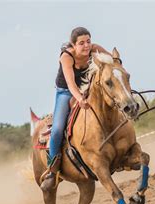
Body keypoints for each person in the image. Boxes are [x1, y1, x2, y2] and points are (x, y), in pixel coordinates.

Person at [40, 27, 109, 191]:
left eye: (88, 41)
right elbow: (71, 84)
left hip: (88, 87)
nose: (86, 46)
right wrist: (80, 99)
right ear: (73, 45)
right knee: (57, 129)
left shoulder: (95, 49)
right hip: (66, 92)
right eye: (81, 43)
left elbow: (112, 61)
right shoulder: (66, 57)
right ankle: (52, 170)